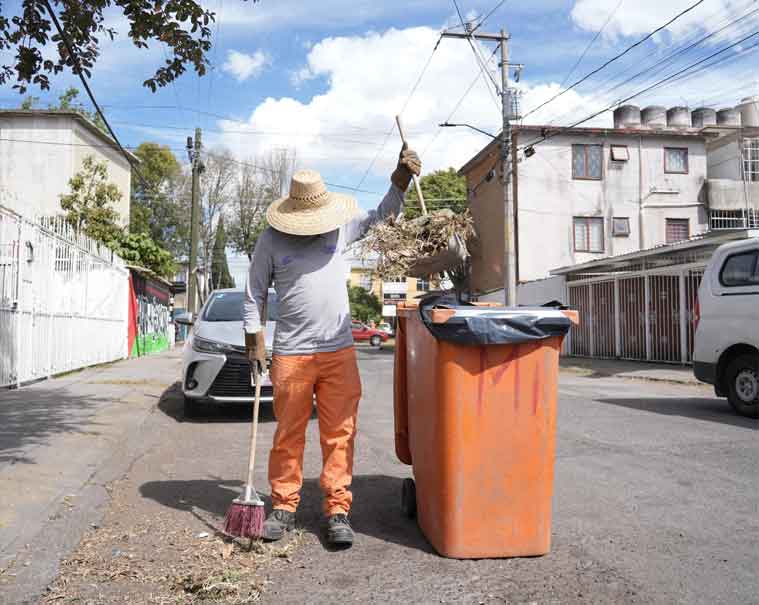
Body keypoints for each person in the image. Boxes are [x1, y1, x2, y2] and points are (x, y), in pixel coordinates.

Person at [243, 146, 421, 547]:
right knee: (288, 433)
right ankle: (284, 506)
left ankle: (337, 510)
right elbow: (255, 293)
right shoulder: (270, 240)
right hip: (290, 353)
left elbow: (381, 219)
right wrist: (253, 338)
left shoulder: (339, 228)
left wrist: (399, 181)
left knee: (339, 433)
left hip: (338, 350)